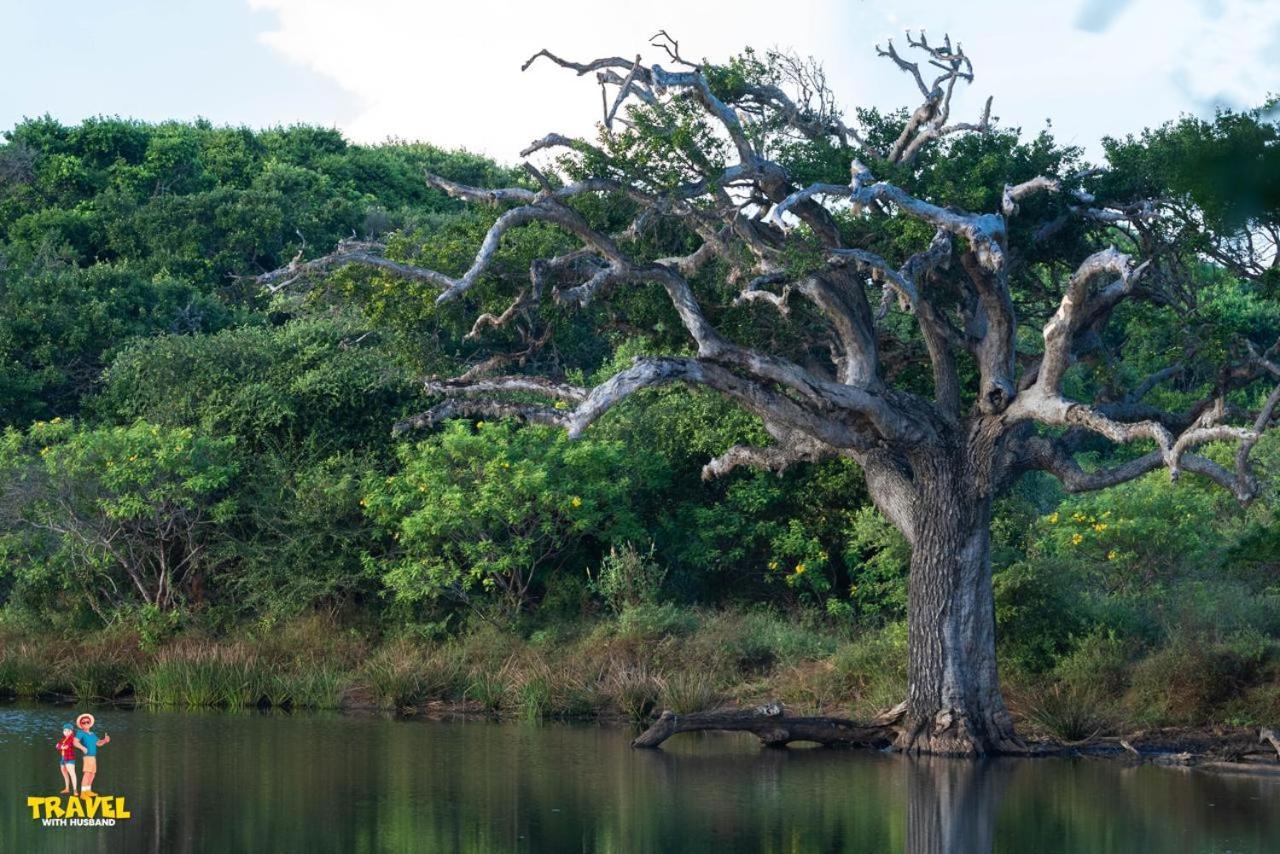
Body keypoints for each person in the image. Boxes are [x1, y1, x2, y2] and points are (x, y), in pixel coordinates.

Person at [72, 713, 110, 799]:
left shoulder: (92, 734)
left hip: (93, 757)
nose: (86, 724)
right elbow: (75, 742)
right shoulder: (80, 733)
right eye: (83, 722)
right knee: (87, 773)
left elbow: (98, 743)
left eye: (87, 722)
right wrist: (82, 748)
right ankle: (83, 793)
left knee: (92, 774)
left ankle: (88, 791)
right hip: (87, 757)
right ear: (81, 725)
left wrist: (104, 741)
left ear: (90, 723)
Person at [56, 723, 78, 795]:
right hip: (63, 758)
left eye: (68, 731)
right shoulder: (63, 739)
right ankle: (67, 788)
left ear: (71, 731)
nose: (66, 732)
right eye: (65, 730)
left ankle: (75, 790)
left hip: (69, 758)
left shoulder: (72, 738)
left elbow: (67, 746)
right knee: (64, 773)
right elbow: (57, 745)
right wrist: (60, 746)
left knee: (72, 774)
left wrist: (61, 746)